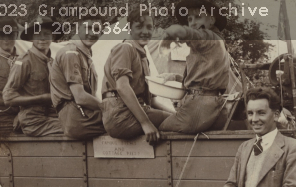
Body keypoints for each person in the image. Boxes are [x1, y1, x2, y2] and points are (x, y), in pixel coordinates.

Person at [158, 0, 230, 134]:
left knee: (160, 128)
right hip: (214, 105)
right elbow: (202, 79)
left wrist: (174, 31)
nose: (193, 23)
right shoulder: (216, 42)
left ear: (211, 20)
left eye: (198, 17)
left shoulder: (207, 38)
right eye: (190, 19)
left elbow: (191, 33)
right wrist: (174, 76)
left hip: (199, 106)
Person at [101, 11, 172, 142]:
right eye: (139, 27)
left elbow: (153, 101)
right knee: (181, 123)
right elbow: (122, 87)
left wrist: (175, 114)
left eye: (149, 27)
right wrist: (146, 123)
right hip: (120, 115)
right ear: (129, 29)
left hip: (134, 112)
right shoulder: (125, 48)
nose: (145, 32)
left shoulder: (142, 56)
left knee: (179, 119)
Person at [3, 16, 64, 137]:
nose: (42, 38)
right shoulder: (24, 61)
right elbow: (8, 98)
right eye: (37, 34)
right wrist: (42, 98)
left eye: (47, 34)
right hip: (33, 121)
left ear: (53, 36)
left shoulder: (52, 62)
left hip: (52, 117)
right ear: (31, 38)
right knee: (76, 128)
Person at [49, 17, 106, 140]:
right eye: (87, 28)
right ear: (77, 29)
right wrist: (109, 107)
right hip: (75, 117)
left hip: (83, 114)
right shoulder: (71, 53)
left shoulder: (84, 54)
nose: (92, 33)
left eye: (96, 29)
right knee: (124, 121)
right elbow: (80, 97)